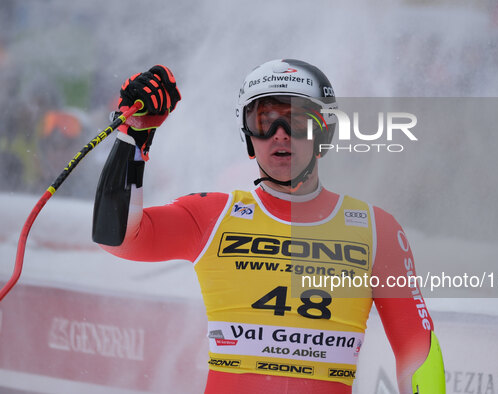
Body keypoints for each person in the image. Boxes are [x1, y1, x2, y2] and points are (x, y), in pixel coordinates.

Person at [92, 60, 445, 393]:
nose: (280, 134)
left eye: (298, 120)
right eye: (265, 120)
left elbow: (418, 351)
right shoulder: (212, 215)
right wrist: (133, 137)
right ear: (247, 133)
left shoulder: (375, 229)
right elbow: (115, 236)